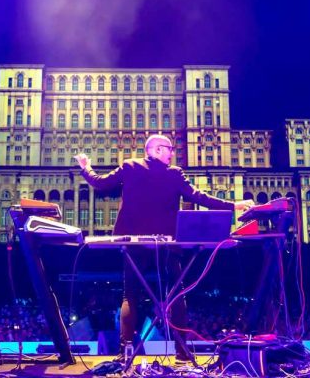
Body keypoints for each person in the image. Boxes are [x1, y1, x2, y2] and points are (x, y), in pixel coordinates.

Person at [75, 134, 253, 363]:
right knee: (176, 294)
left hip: (134, 243)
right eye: (169, 148)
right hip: (168, 243)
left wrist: (86, 167)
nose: (172, 153)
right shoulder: (174, 173)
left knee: (130, 295)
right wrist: (233, 205)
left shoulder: (129, 166)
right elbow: (198, 197)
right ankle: (182, 353)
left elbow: (100, 182)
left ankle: (125, 352)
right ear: (157, 149)